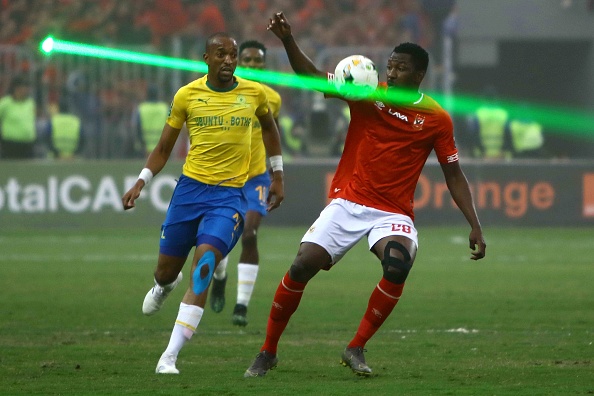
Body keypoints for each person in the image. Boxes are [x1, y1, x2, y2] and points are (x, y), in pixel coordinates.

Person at [244, 12, 486, 378]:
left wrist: (474, 224)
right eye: (389, 65)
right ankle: (268, 350)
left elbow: (454, 174)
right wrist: (288, 40)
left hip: (392, 212)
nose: (391, 72)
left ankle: (356, 347)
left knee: (398, 262)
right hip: (347, 201)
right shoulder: (365, 92)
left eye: (400, 67)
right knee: (301, 265)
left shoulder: (435, 118)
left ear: (419, 74)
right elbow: (311, 79)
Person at [121, 32, 285, 375]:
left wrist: (277, 176)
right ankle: (164, 286)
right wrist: (141, 181)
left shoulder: (254, 93)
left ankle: (169, 356)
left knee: (205, 264)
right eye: (221, 54)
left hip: (229, 197)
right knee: (166, 271)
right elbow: (164, 147)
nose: (228, 60)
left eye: (233, 55)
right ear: (206, 58)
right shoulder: (187, 95)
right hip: (189, 192)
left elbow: (270, 130)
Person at [209, 40, 283, 327]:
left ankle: (241, 304)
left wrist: (278, 173)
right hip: (225, 178)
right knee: (220, 238)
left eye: (257, 61)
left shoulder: (272, 98)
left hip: (256, 177)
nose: (253, 65)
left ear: (264, 65)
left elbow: (272, 134)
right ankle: (220, 277)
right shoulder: (225, 92)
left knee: (249, 234)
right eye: (247, 60)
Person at [0, 75, 37, 159]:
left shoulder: (30, 103)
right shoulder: (5, 103)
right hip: (10, 145)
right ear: (16, 88)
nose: (26, 90)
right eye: (24, 87)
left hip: (28, 144)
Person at [132, 84, 169, 157]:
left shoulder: (141, 108)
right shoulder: (165, 108)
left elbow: (136, 127)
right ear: (158, 94)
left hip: (144, 149)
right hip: (162, 148)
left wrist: (139, 144)